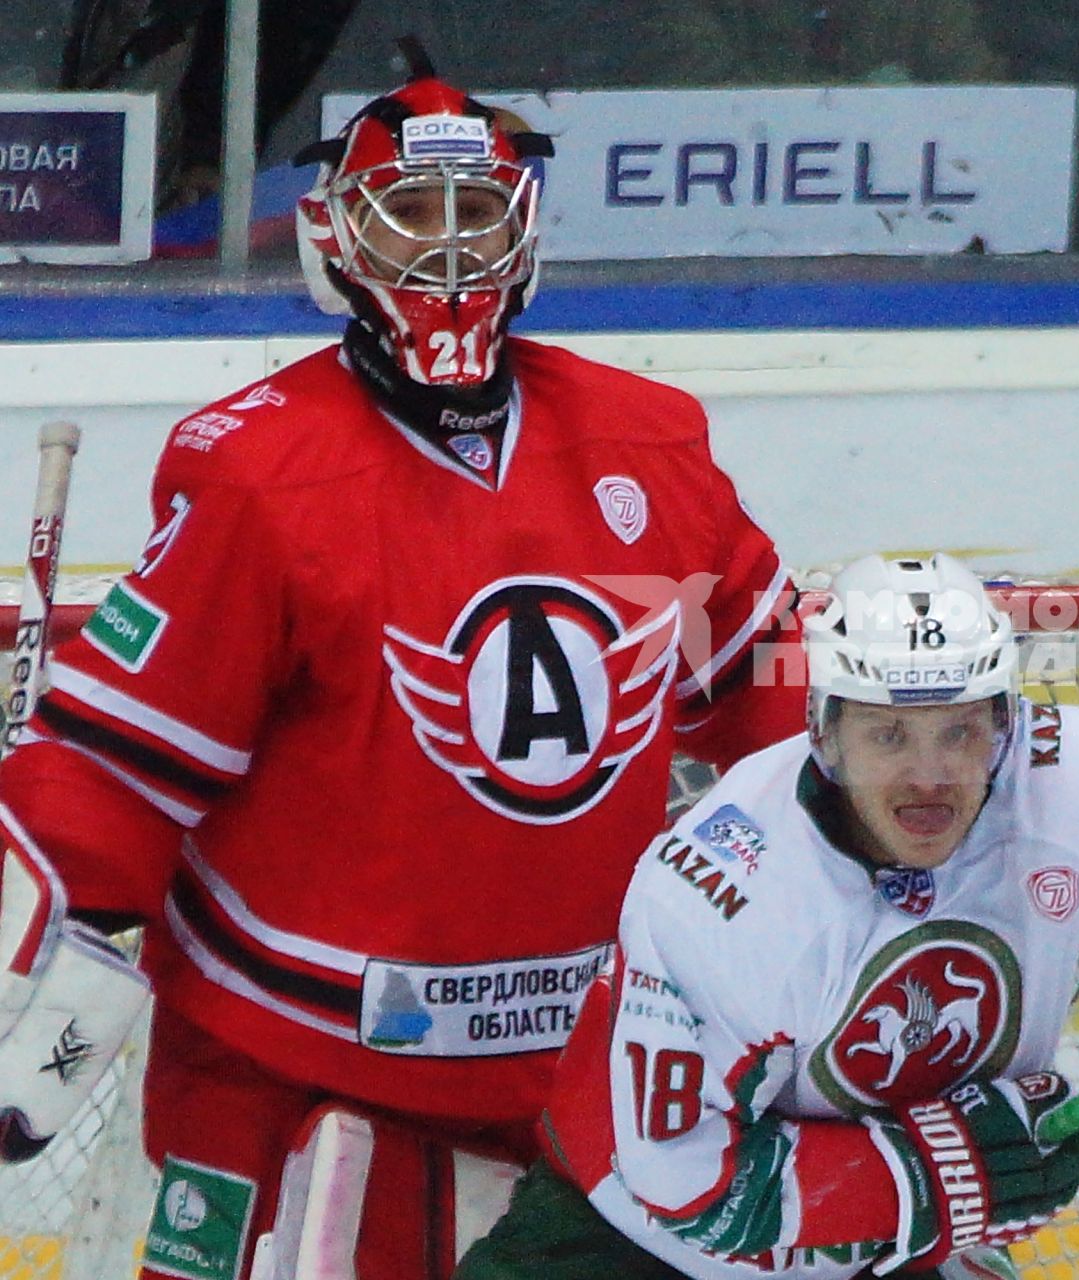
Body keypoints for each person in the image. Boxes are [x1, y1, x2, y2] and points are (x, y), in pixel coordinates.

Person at [0, 42, 805, 1280]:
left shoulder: (649, 444)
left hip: (583, 1069)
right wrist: (65, 922)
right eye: (411, 210)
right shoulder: (258, 471)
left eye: (474, 209)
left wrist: (860, 880)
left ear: (525, 229)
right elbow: (120, 763)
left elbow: (769, 698)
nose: (445, 246)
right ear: (339, 236)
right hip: (284, 1070)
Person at [453, 552, 1079, 1280]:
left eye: (960, 730)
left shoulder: (1073, 780)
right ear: (827, 731)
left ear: (1007, 723)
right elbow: (688, 1180)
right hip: (635, 1241)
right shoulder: (726, 885)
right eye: (890, 732)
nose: (930, 775)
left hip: (896, 1250)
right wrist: (935, 1174)